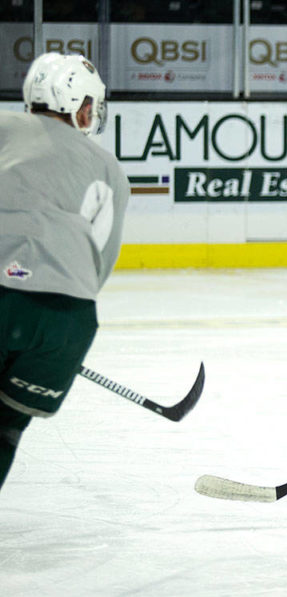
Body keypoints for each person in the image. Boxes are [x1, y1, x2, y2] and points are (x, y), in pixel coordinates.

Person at [1, 53, 129, 490]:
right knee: (5, 426)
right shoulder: (109, 168)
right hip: (66, 319)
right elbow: (97, 267)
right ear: (82, 105)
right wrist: (51, 327)